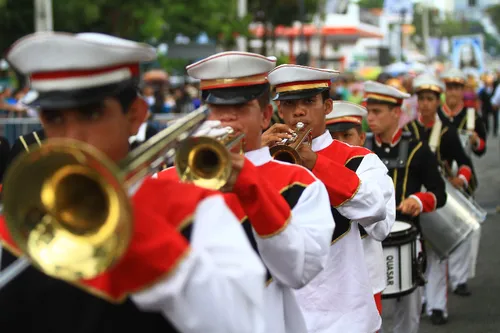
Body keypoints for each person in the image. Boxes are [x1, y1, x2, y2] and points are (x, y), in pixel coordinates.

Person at [0, 32, 267, 333]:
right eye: (54, 118)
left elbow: (243, 324)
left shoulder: (195, 210)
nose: (72, 138)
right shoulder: (22, 218)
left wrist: (137, 227)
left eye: (91, 113)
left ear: (135, 115)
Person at [158, 51, 335, 333]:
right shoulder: (167, 181)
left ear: (265, 116)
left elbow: (298, 272)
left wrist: (254, 190)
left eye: (241, 108)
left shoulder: (299, 182)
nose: (227, 118)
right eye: (216, 109)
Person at [265, 65, 394, 333]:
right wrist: (253, 157)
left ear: (327, 107)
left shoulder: (359, 160)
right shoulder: (263, 159)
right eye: (289, 104)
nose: (299, 112)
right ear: (279, 111)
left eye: (309, 102)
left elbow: (376, 211)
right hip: (286, 316)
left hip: (346, 316)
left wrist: (316, 163)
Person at [364, 80, 447, 333]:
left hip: (409, 238)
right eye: (368, 111)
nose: (370, 118)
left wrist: (419, 201)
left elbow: (439, 193)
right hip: (368, 241)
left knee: (409, 316)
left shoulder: (418, 149)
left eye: (377, 112)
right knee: (366, 314)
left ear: (396, 113)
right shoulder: (361, 148)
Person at [404, 73, 476, 325]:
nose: (424, 104)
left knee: (436, 254)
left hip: (436, 196)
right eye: (421, 99)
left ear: (437, 101)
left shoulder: (446, 132)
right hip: (412, 197)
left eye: (429, 99)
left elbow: (466, 163)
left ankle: (437, 306)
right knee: (416, 252)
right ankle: (421, 298)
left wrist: (461, 179)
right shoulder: (408, 131)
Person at [324, 101, 396, 319]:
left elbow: (381, 228)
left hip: (364, 279)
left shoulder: (367, 166)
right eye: (333, 137)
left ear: (362, 138)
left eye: (347, 135)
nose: (340, 144)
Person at [439, 68, 486, 297]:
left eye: (457, 88)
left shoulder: (471, 116)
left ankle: (460, 278)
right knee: (440, 227)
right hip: (440, 178)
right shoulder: (437, 115)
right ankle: (442, 277)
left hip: (465, 181)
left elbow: (481, 150)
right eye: (449, 88)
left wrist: (477, 141)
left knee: (467, 228)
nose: (453, 93)